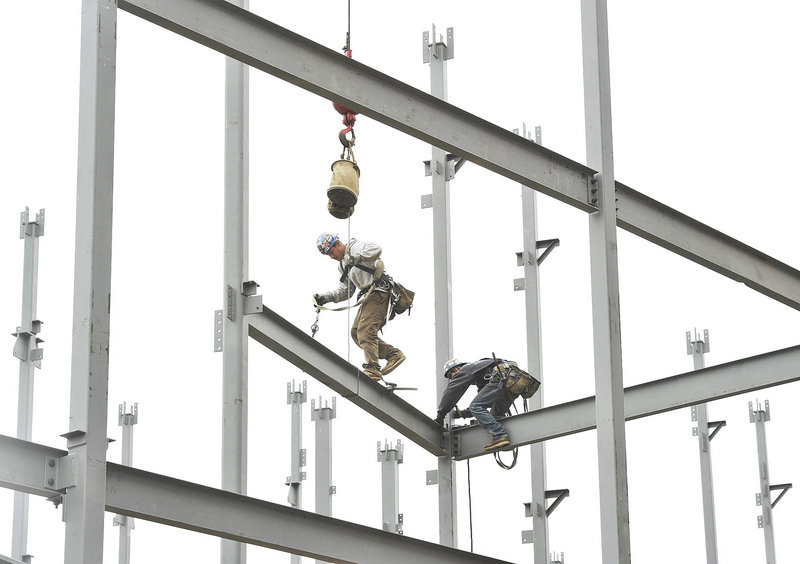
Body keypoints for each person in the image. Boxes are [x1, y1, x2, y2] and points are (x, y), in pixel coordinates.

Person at [313, 233, 405, 382]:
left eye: (331, 252)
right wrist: (326, 297)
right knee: (356, 333)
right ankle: (392, 354)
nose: (331, 256)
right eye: (328, 255)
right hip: (367, 297)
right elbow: (346, 291)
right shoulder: (343, 265)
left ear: (337, 244)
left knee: (365, 331)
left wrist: (358, 258)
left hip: (379, 292)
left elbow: (377, 249)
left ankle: (373, 369)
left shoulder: (356, 247)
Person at [434, 357, 520, 451]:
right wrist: (464, 414)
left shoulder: (465, 369)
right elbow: (485, 403)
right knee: (495, 415)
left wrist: (441, 415)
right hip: (514, 381)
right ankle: (505, 440)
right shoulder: (481, 374)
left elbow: (451, 392)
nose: (453, 378)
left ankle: (500, 435)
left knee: (475, 406)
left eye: (451, 375)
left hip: (503, 376)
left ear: (456, 369)